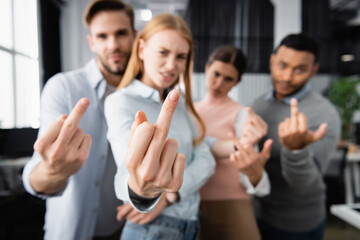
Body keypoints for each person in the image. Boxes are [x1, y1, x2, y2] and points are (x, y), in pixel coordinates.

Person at [22, 1, 185, 239]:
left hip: (126, 229)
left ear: (135, 36)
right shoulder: (63, 88)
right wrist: (52, 170)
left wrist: (159, 195)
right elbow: (35, 181)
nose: (113, 45)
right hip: (70, 231)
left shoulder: (150, 97)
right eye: (102, 36)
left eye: (121, 34)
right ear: (91, 42)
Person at [104, 13, 216, 240]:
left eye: (181, 56)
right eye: (163, 52)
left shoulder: (180, 103)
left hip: (191, 224)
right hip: (152, 228)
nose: (172, 65)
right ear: (142, 49)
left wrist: (170, 196)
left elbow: (207, 160)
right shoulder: (120, 102)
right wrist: (143, 194)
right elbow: (130, 173)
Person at [251, 33, 341, 240]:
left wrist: (295, 150)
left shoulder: (324, 114)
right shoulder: (258, 104)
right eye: (282, 65)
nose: (287, 77)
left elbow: (304, 185)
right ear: (272, 61)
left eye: (300, 69)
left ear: (314, 70)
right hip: (258, 213)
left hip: (297, 223)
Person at [194, 45, 272, 240]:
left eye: (228, 79)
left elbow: (249, 166)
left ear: (237, 82)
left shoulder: (243, 114)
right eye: (216, 74)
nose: (219, 83)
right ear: (206, 68)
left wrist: (254, 169)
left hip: (231, 200)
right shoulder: (188, 110)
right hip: (190, 202)